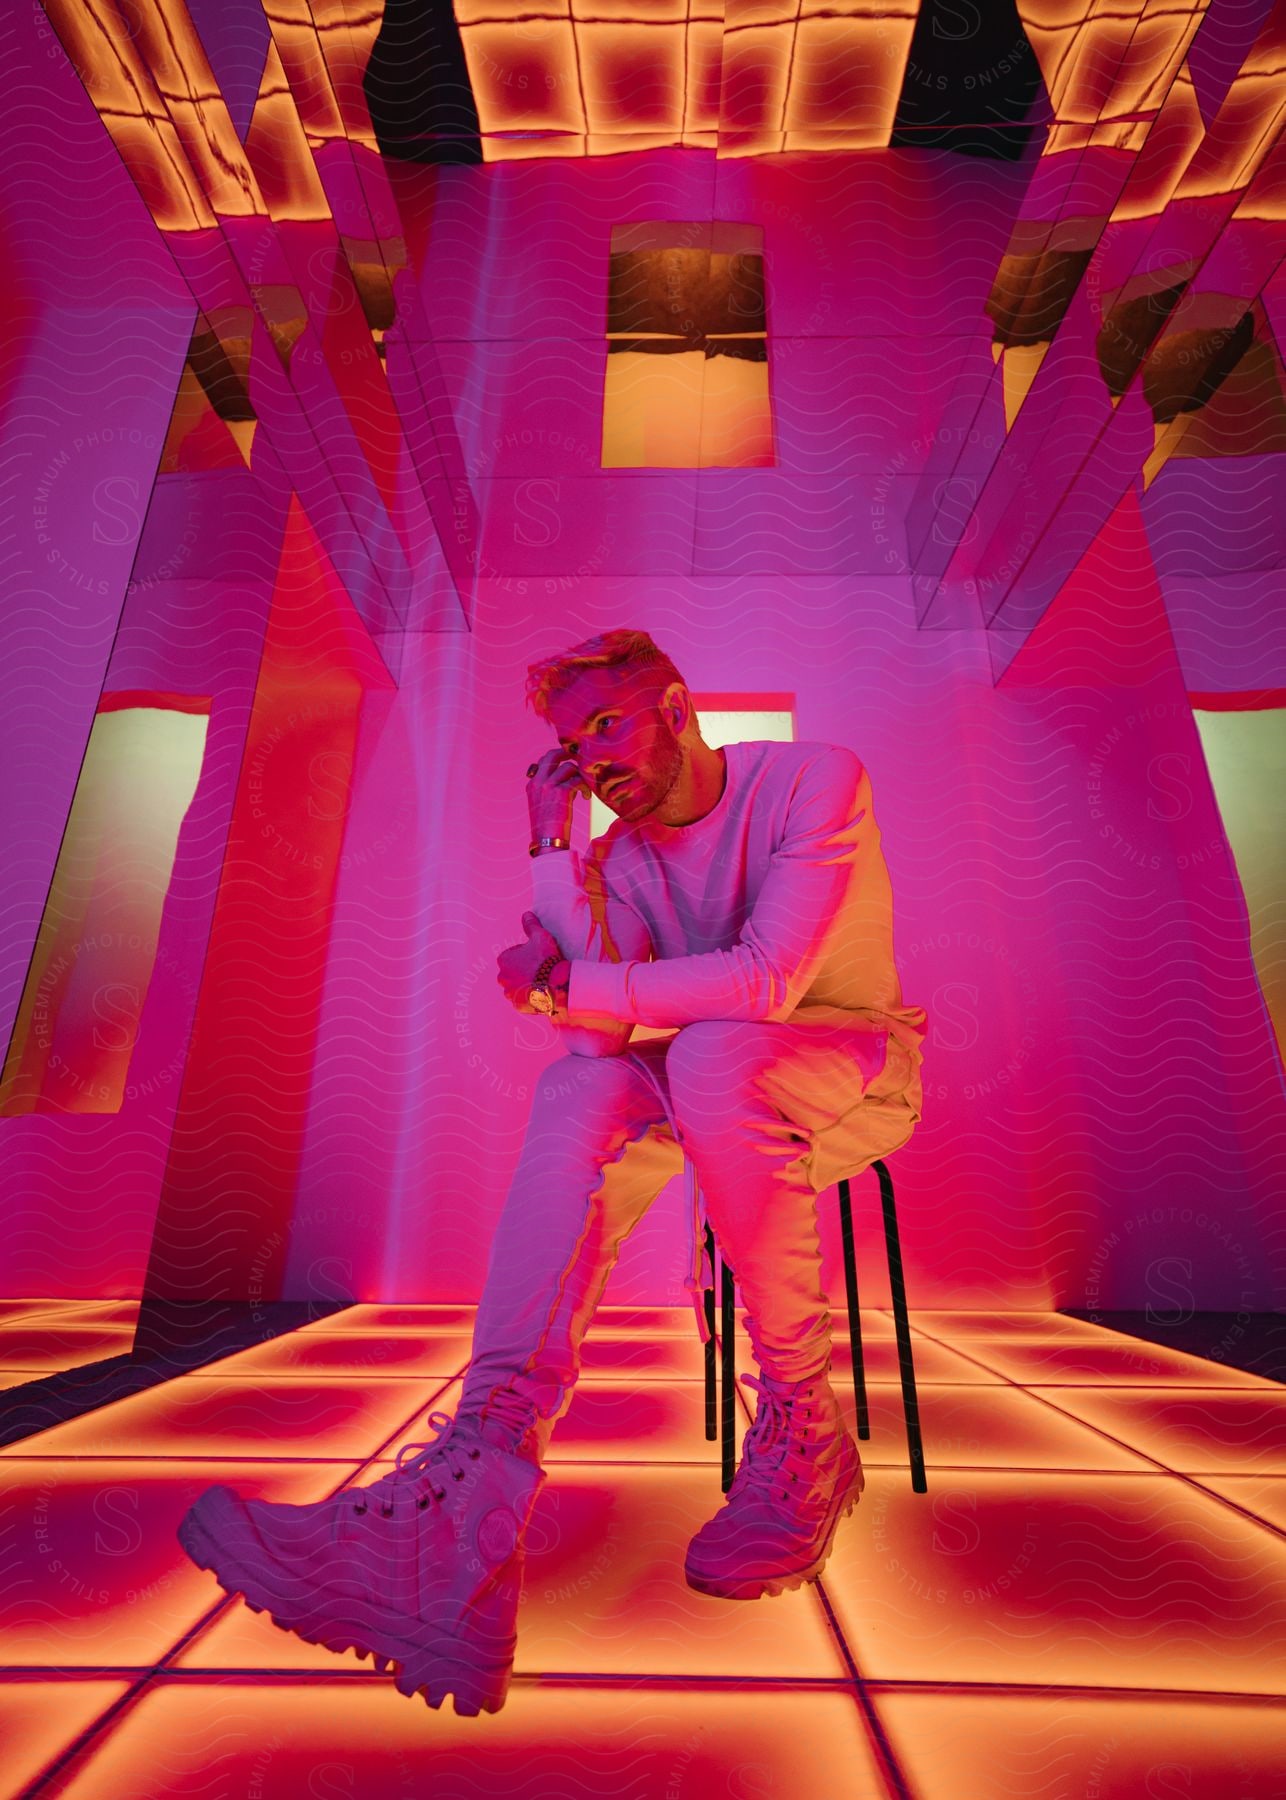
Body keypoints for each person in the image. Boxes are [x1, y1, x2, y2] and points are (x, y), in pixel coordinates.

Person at [176, 628, 927, 1717]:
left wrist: (566, 980)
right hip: (710, 1087)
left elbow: (766, 985)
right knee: (580, 1094)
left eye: (606, 725)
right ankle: (469, 1503)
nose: (592, 760)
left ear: (674, 706)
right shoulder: (613, 859)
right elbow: (590, 1047)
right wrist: (548, 846)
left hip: (853, 1067)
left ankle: (806, 1431)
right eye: (570, 747)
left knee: (716, 1049)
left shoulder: (811, 777)